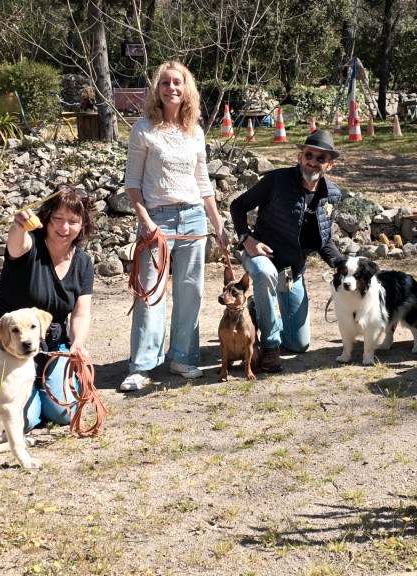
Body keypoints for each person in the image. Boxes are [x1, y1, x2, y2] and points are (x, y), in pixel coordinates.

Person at [120, 60, 228, 391]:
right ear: (157, 89)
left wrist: (218, 225)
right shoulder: (143, 129)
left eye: (177, 83)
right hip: (158, 220)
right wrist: (147, 222)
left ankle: (184, 357)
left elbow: (204, 184)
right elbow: (132, 184)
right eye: (165, 83)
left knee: (190, 291)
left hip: (194, 218)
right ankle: (141, 366)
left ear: (187, 89)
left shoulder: (195, 131)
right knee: (149, 293)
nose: (171, 88)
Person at [0, 184, 95, 429]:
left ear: (82, 225)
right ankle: (36, 393)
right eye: (58, 219)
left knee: (63, 414)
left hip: (51, 346)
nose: (64, 228)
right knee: (24, 421)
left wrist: (77, 344)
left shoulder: (83, 263)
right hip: (6, 344)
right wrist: (18, 225)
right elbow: (17, 244)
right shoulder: (30, 246)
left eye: (72, 221)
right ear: (46, 218)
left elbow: (81, 312)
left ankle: (45, 385)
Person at [229, 130, 344, 372]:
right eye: (309, 155)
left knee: (298, 344)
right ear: (299, 157)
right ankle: (270, 347)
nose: (313, 161)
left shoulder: (332, 195)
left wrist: (342, 265)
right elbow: (238, 206)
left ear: (329, 165)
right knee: (264, 273)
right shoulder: (276, 181)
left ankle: (258, 313)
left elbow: (324, 239)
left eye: (320, 158)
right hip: (261, 258)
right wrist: (245, 239)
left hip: (293, 271)